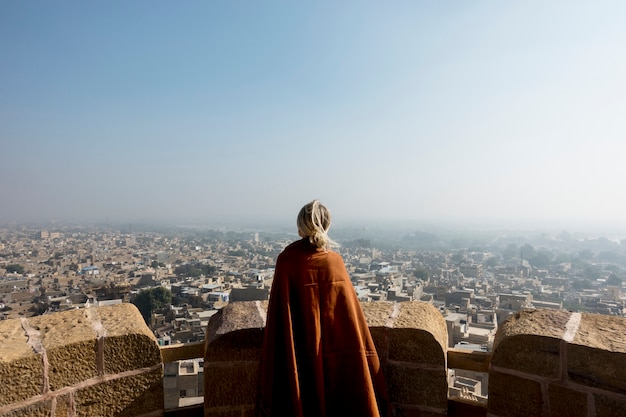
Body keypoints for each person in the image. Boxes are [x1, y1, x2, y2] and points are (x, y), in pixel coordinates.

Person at [257, 200, 389, 417]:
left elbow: (281, 313)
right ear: (327, 226)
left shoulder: (288, 259)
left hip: (299, 351)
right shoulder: (334, 261)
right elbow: (348, 315)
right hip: (338, 352)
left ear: (300, 227)